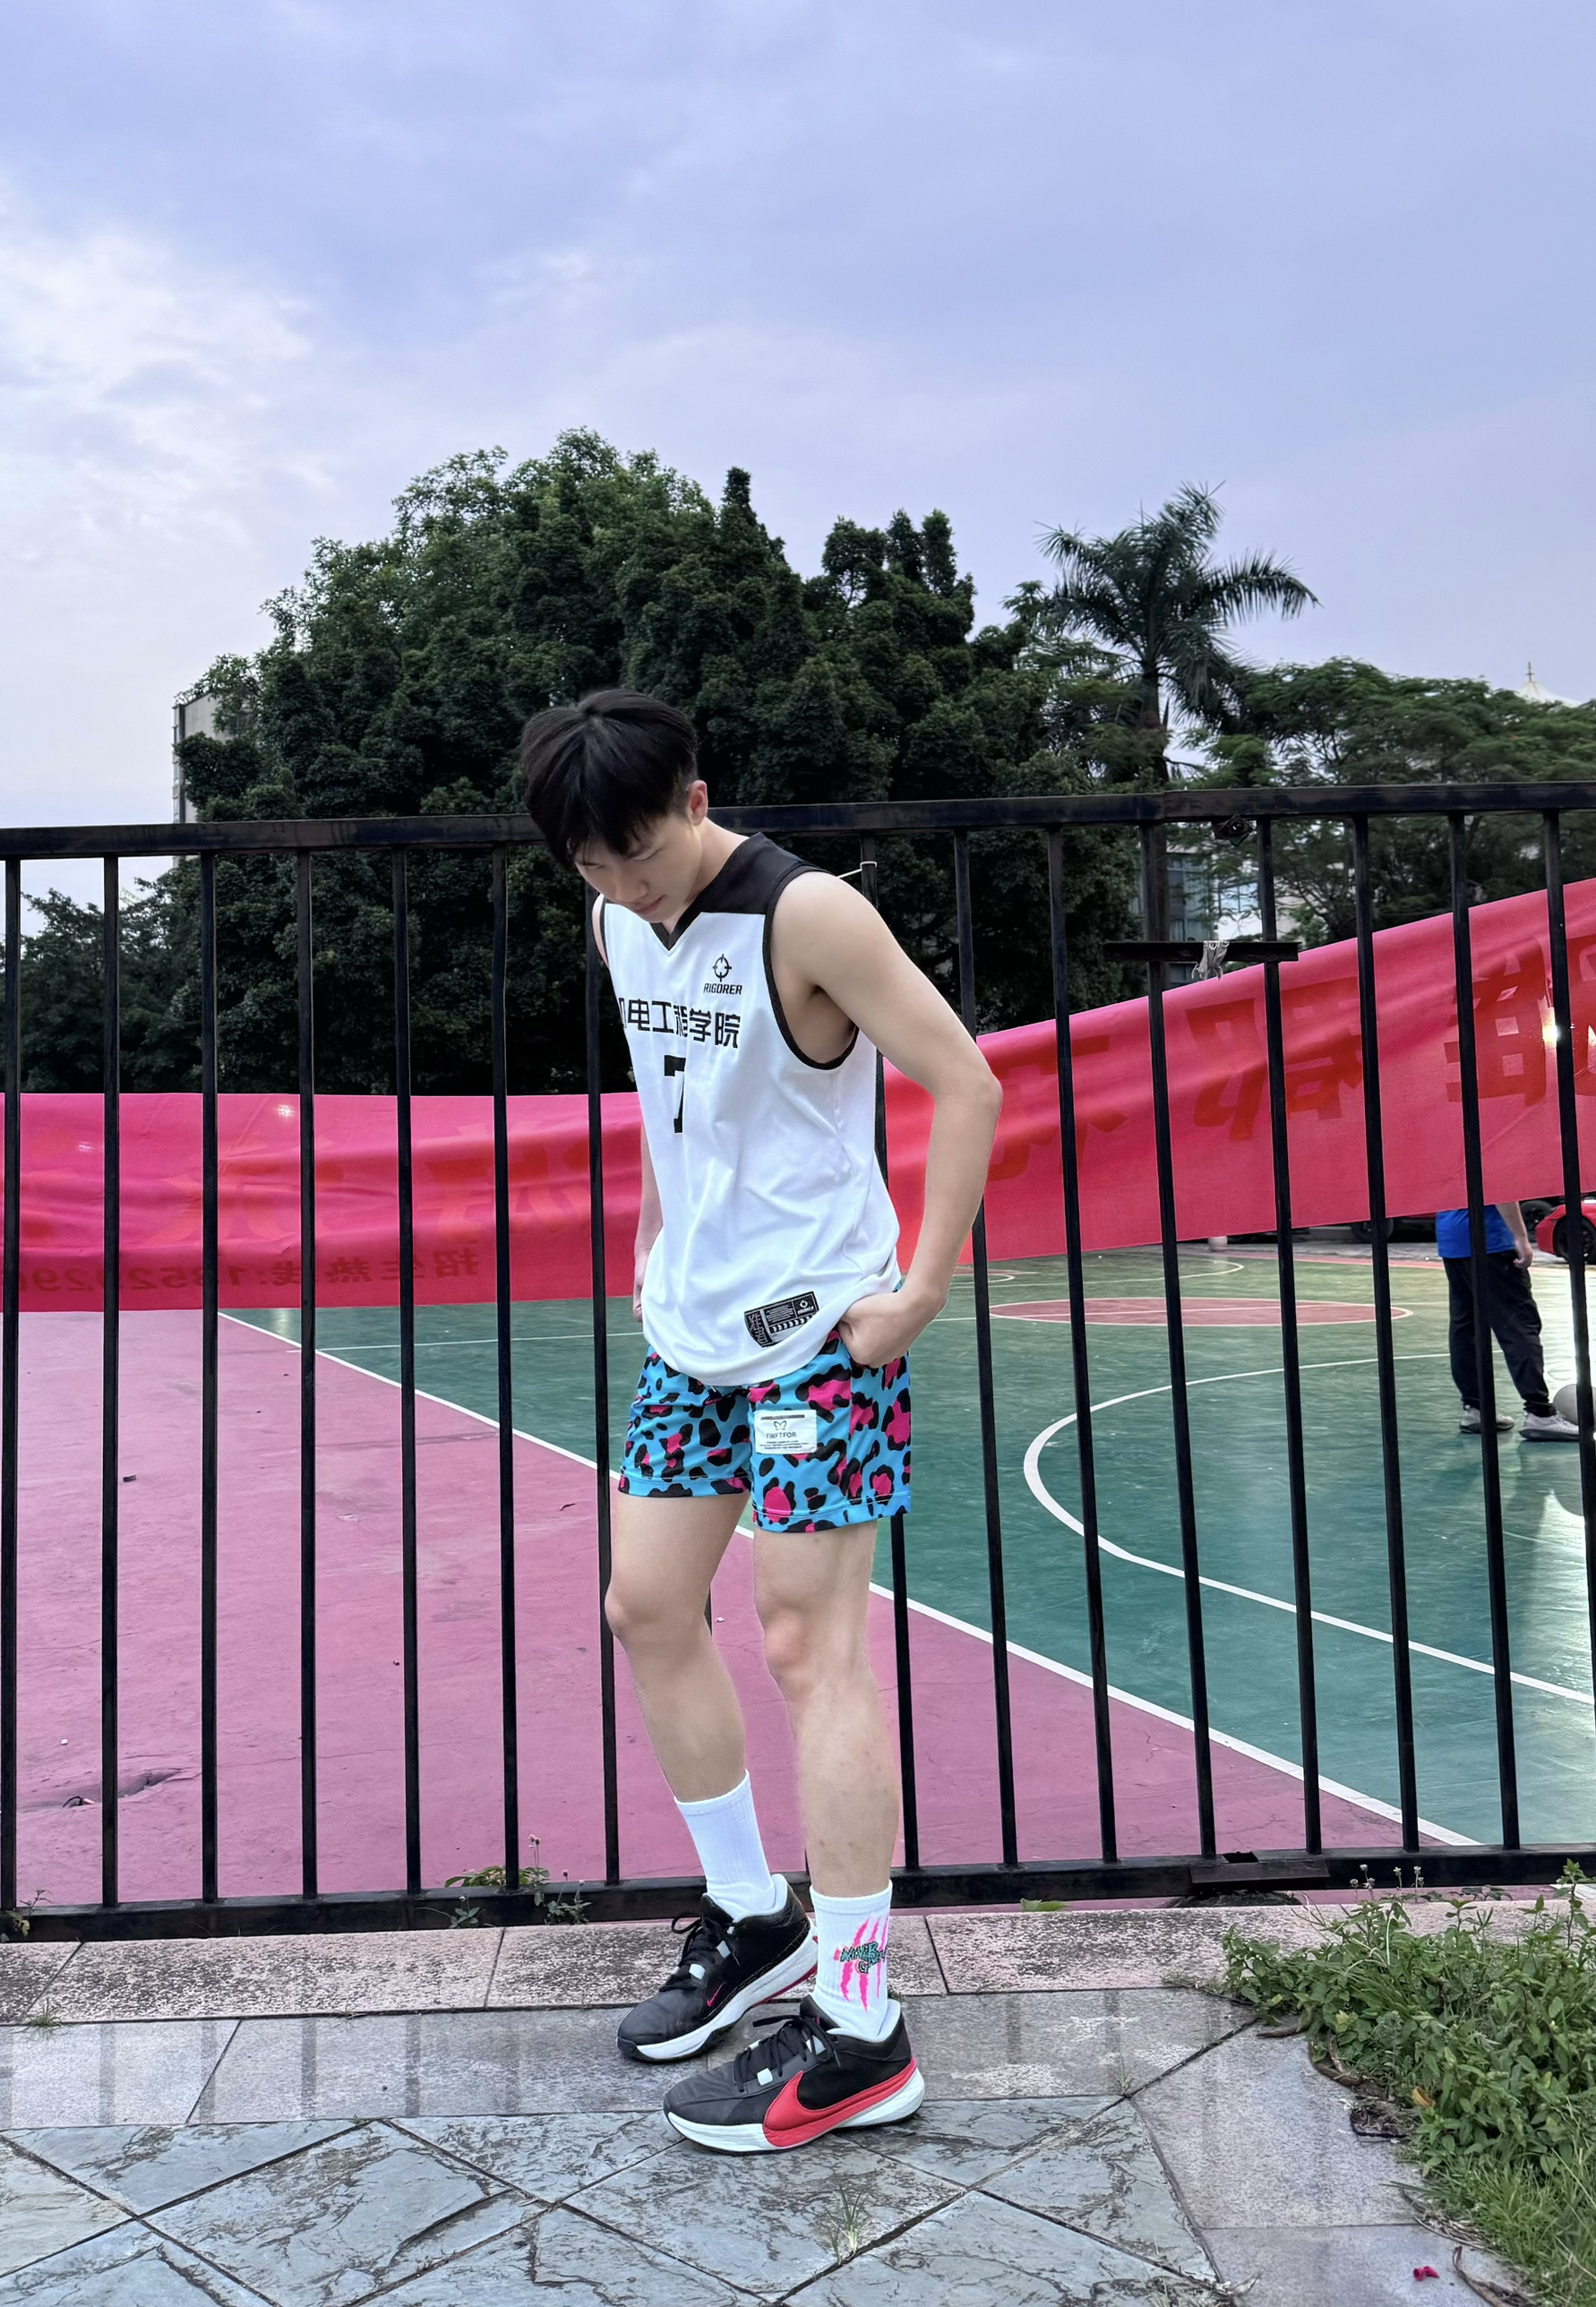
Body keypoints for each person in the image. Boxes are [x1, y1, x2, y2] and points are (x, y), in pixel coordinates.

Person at [518, 690, 1001, 2155]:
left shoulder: (808, 915)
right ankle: (752, 1917)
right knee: (646, 1607)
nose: (624, 883)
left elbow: (965, 1082)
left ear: (694, 798)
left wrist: (919, 1291)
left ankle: (860, 2024)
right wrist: (654, 1244)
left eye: (639, 850)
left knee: (806, 1642)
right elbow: (677, 1104)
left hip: (817, 1344)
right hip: (693, 1339)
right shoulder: (615, 922)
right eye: (590, 864)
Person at [1437, 1203, 1579, 1440]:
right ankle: (1539, 1413)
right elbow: (1499, 1192)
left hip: (1452, 1238)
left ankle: (1476, 1409)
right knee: (1519, 1325)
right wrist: (1520, 1236)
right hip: (1490, 1239)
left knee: (1467, 1326)